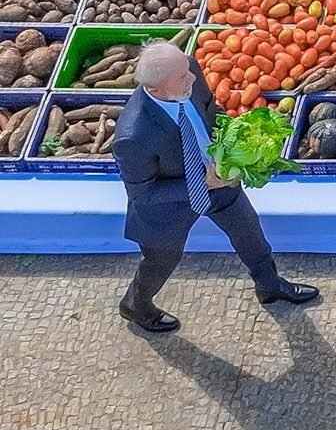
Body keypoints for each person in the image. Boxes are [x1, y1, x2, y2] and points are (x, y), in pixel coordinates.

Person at [113, 40, 318, 333]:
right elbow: (143, 194)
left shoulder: (188, 73)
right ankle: (136, 305)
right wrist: (201, 183)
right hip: (168, 207)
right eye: (183, 77)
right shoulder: (133, 136)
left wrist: (235, 139)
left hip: (219, 179)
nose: (193, 77)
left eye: (188, 70)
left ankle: (270, 286)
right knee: (160, 263)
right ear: (156, 89)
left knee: (249, 231)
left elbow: (211, 112)